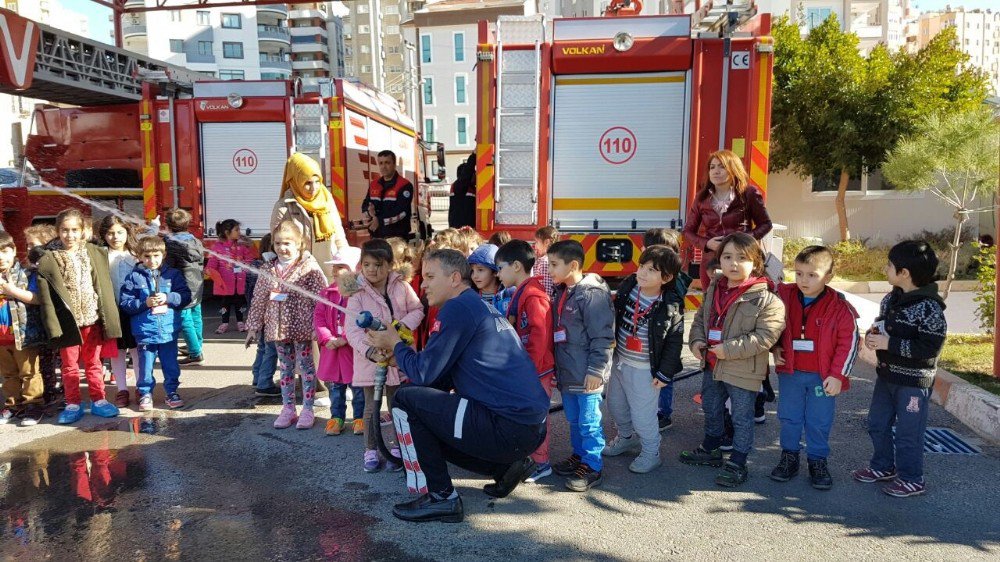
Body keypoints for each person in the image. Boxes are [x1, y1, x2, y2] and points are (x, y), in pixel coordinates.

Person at [367, 249, 549, 523]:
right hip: (526, 429)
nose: (423, 284)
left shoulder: (457, 307)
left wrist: (394, 343)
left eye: (429, 276)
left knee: (404, 399)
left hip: (507, 427)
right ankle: (507, 467)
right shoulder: (473, 304)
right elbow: (438, 376)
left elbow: (425, 374)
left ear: (454, 278)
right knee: (425, 411)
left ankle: (442, 498)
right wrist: (399, 359)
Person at [679, 232, 785, 487]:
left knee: (741, 416)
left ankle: (738, 460)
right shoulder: (715, 287)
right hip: (712, 364)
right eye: (727, 257)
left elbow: (765, 337)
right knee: (712, 407)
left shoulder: (767, 298)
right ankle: (712, 448)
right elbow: (701, 319)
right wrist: (696, 342)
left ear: (756, 262)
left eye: (742, 258)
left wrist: (728, 349)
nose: (733, 263)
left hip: (743, 369)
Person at [853, 241, 946, 498]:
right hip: (887, 376)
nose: (886, 268)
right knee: (876, 423)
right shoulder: (890, 298)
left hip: (913, 384)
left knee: (908, 433)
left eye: (890, 265)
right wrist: (874, 335)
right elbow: (882, 325)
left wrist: (889, 343)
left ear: (904, 272)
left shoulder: (930, 308)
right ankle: (883, 466)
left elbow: (929, 348)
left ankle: (912, 478)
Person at [770, 245, 860, 490]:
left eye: (812, 275)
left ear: (828, 277)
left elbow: (849, 342)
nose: (803, 280)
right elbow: (771, 324)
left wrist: (838, 375)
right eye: (798, 273)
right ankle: (789, 457)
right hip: (791, 374)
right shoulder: (784, 295)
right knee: (789, 417)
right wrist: (775, 348)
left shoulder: (839, 307)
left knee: (818, 420)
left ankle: (817, 460)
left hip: (823, 378)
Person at [37, 209, 124, 424]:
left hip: (92, 319)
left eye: (75, 230)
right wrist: (53, 325)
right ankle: (73, 403)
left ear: (83, 231)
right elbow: (47, 297)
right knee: (69, 366)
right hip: (68, 323)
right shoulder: (50, 259)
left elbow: (102, 285)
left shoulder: (94, 252)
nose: (70, 235)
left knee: (94, 363)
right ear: (57, 232)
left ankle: (99, 400)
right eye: (65, 230)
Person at [343, 239, 424, 471]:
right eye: (366, 264)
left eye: (378, 265)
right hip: (372, 361)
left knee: (397, 405)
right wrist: (368, 351)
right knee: (371, 408)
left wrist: (399, 329)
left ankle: (398, 449)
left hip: (398, 357)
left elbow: (418, 310)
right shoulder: (357, 293)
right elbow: (352, 328)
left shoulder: (402, 287)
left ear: (390, 265)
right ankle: (371, 450)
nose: (371, 270)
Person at [604, 246, 685, 474]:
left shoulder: (670, 305)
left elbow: (674, 343)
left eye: (651, 270)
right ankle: (626, 437)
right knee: (615, 406)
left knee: (643, 417)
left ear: (666, 278)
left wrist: (665, 373)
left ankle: (651, 453)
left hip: (645, 371)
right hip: (620, 361)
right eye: (641, 266)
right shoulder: (629, 287)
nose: (642, 272)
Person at [246, 221, 328, 430]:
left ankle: (307, 408)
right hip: (278, 328)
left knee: (307, 369)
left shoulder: (309, 266)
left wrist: (321, 327)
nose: (282, 248)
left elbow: (322, 296)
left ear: (299, 244)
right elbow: (259, 299)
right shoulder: (268, 268)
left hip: (302, 327)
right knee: (285, 369)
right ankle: (288, 408)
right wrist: (254, 327)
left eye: (288, 243)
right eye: (278, 243)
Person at [548, 240, 615, 492]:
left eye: (554, 265)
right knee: (574, 420)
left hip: (587, 374)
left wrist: (596, 370)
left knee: (589, 422)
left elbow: (602, 337)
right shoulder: (564, 290)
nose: (550, 270)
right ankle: (579, 456)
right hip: (569, 372)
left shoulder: (591, 295)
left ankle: (592, 465)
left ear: (573, 265)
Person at [495, 239, 555, 483]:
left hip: (535, 371)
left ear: (517, 266)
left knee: (537, 416)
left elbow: (539, 336)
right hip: (528, 369)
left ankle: (541, 463)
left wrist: (527, 368)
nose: (497, 274)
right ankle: (530, 458)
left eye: (500, 268)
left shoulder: (532, 296)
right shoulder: (522, 293)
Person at [119, 236, 192, 411]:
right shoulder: (134, 277)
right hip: (145, 332)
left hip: (168, 331)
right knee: (145, 366)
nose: (152, 260)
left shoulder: (173, 275)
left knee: (170, 364)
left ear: (163, 254)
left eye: (156, 255)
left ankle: (172, 392)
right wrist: (145, 303)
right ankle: (145, 393)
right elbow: (125, 303)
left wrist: (168, 297)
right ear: (140, 257)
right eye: (147, 256)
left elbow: (185, 296)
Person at [683, 150, 773, 290]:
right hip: (711, 262)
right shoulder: (702, 197)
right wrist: (707, 244)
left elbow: (766, 224)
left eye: (722, 166)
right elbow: (688, 231)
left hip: (742, 259)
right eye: (712, 167)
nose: (716, 171)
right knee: (711, 304)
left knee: (740, 303)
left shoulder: (748, 193)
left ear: (733, 168)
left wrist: (743, 240)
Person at [641, 227, 691, 432]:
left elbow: (674, 309)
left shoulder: (675, 279)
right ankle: (650, 410)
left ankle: (664, 413)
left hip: (666, 336)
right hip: (649, 336)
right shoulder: (645, 274)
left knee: (664, 373)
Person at [315, 246, 365, 436]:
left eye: (341, 266)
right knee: (335, 389)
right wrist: (327, 337)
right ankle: (336, 418)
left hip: (352, 352)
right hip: (332, 351)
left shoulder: (359, 294)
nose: (335, 270)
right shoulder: (326, 293)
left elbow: (362, 321)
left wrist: (345, 338)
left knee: (358, 388)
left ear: (356, 268)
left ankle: (359, 418)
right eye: (334, 266)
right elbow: (319, 317)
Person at [0, 231, 46, 426]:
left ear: (13, 251)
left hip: (23, 335)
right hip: (2, 339)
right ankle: (12, 405)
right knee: (8, 374)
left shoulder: (26, 274)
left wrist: (12, 292)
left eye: (4, 251)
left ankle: (33, 405)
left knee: (29, 373)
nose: (1, 257)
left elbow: (37, 298)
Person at [271, 152, 349, 266]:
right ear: (295, 181)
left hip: (329, 269)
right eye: (307, 183)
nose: (314, 188)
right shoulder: (283, 206)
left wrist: (344, 260)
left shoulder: (326, 199)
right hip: (299, 273)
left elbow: (338, 234)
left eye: (317, 182)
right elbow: (277, 242)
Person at [97, 215, 141, 408]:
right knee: (117, 352)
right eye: (110, 233)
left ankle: (142, 386)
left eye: (120, 232)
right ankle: (122, 389)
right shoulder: (100, 255)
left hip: (136, 309)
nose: (115, 237)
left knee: (138, 350)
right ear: (104, 235)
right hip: (112, 310)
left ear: (127, 232)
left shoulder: (136, 254)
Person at [22, 224, 61, 407]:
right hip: (33, 324)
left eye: (32, 245)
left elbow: (37, 297)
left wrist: (13, 291)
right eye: (27, 245)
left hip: (44, 323)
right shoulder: (29, 270)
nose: (29, 249)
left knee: (47, 361)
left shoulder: (43, 270)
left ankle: (50, 392)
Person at [163, 209, 207, 367]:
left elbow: (168, 265)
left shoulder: (172, 244)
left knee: (184, 318)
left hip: (183, 285)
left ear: (168, 225)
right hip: (197, 283)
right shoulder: (195, 240)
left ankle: (195, 354)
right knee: (196, 315)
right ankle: (197, 345)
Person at [206, 219, 255, 334]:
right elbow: (212, 263)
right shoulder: (218, 247)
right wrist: (211, 272)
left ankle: (240, 322)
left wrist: (244, 268)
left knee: (240, 302)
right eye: (236, 230)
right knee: (225, 304)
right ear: (227, 232)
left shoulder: (242, 246)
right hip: (225, 283)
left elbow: (249, 260)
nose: (239, 232)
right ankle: (224, 323)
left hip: (240, 282)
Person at [246, 233, 280, 397]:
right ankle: (264, 383)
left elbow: (252, 296)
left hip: (260, 315)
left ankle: (257, 377)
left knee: (263, 347)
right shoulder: (267, 268)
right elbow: (264, 296)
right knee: (271, 350)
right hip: (270, 316)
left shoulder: (255, 266)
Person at [362, 150, 414, 240]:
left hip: (396, 238)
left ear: (394, 164)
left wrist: (380, 220)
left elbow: (402, 212)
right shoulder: (374, 184)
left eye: (387, 163)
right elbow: (365, 204)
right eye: (381, 163)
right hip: (376, 236)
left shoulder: (404, 185)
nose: (383, 167)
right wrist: (369, 212)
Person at [467, 243, 511, 314]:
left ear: (495, 272)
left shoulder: (509, 294)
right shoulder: (469, 297)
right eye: (472, 270)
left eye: (480, 270)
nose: (475, 276)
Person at [448, 153, 477, 229]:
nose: (476, 175)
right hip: (460, 228)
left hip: (465, 227)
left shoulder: (470, 187)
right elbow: (467, 173)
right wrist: (473, 156)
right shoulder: (460, 186)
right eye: (474, 173)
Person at [532, 226, 559, 297]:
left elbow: (546, 291)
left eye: (537, 242)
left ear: (547, 242)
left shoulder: (544, 262)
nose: (535, 246)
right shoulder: (555, 260)